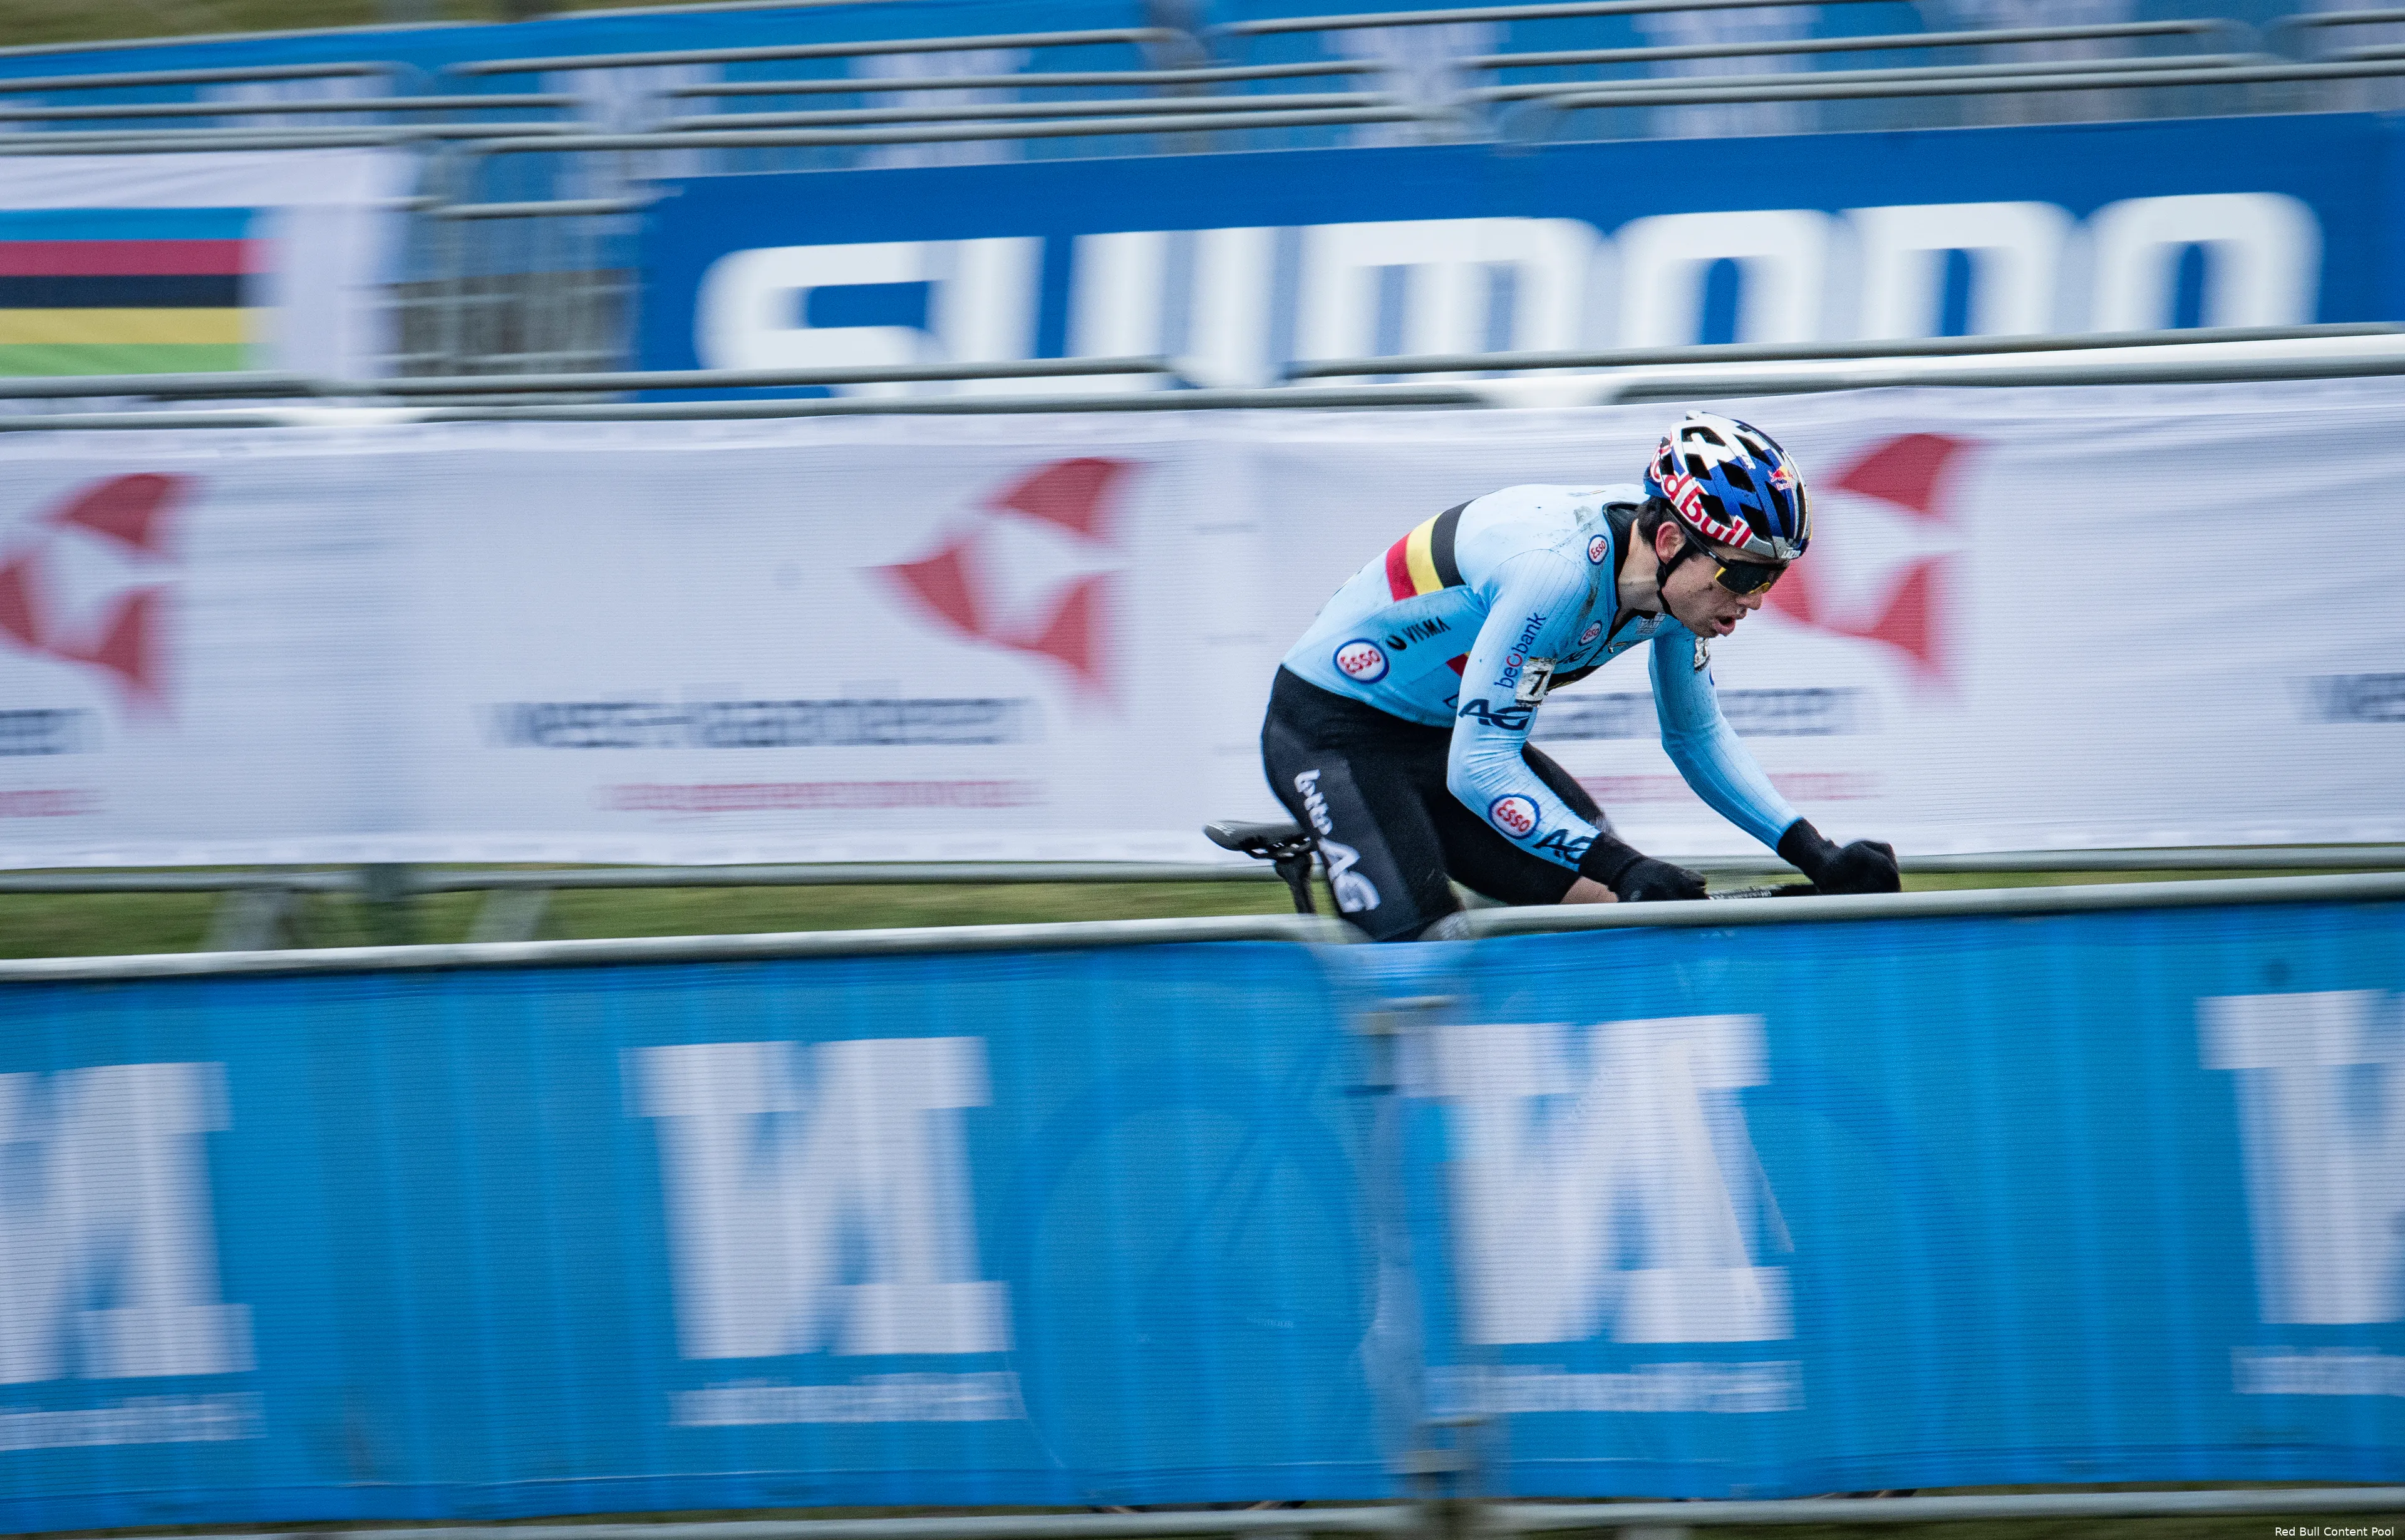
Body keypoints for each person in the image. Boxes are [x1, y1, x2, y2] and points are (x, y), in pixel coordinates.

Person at [1260, 410, 1899, 943]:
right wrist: (1625, 867)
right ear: (1671, 541)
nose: (1755, 599)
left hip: (1437, 733)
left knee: (1612, 918)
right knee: (1423, 953)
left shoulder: (1677, 591)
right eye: (1746, 573)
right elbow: (1481, 765)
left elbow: (1697, 737)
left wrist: (1816, 853)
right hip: (1333, 732)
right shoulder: (1557, 572)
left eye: (1773, 577)